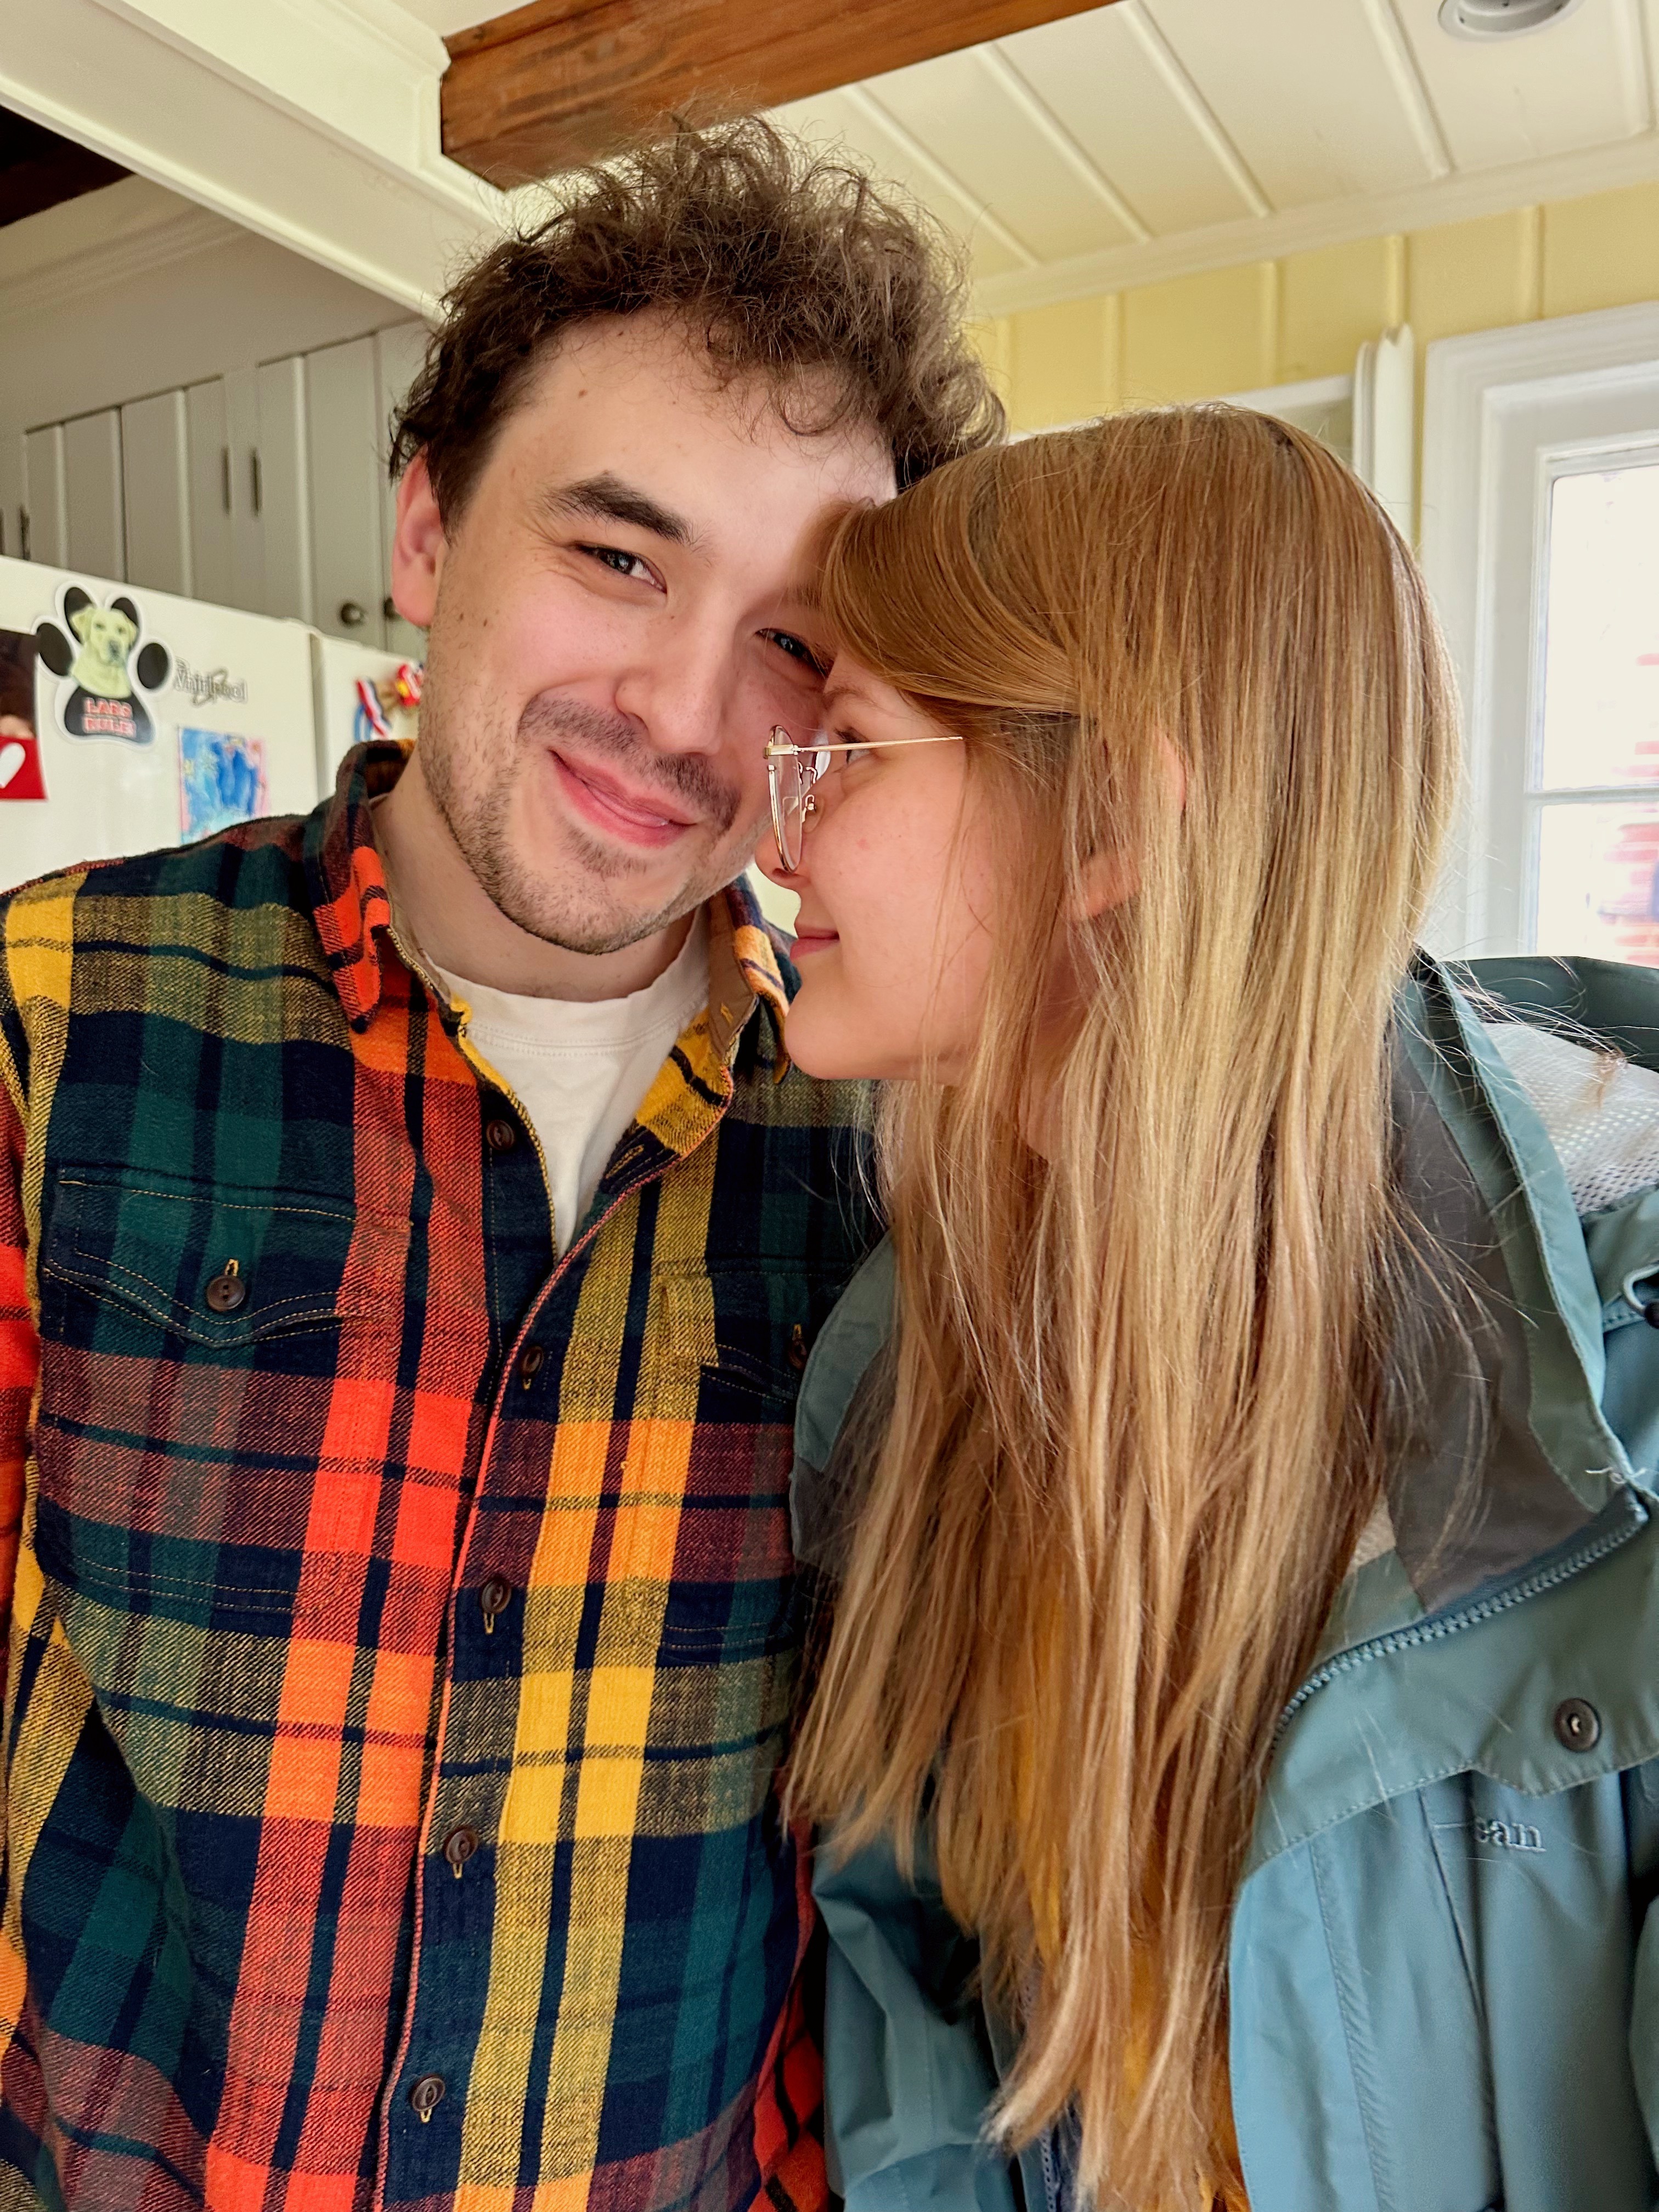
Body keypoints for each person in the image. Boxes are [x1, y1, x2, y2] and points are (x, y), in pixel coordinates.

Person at [0, 122, 1001, 2212]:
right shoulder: (51, 1010)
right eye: (620, 556)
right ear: (430, 529)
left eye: (793, 644)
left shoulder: (901, 1148)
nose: (682, 714)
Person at [767, 407, 1659, 2212]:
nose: (778, 836)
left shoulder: (1622, 1402)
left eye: (845, 748)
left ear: (1108, 816)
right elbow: (921, 2007)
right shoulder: (909, 1364)